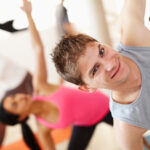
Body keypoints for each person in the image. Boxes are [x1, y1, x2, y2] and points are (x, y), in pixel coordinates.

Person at [0, 0, 113, 150]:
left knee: (135, 130)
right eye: (15, 104)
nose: (19, 97)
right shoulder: (43, 128)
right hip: (85, 123)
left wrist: (28, 14)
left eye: (14, 97)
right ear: (21, 117)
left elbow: (38, 49)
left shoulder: (39, 87)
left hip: (105, 107)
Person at [52, 0, 150, 149]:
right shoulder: (127, 125)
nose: (110, 64)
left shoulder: (135, 39)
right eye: (95, 70)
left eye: (102, 51)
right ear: (87, 88)